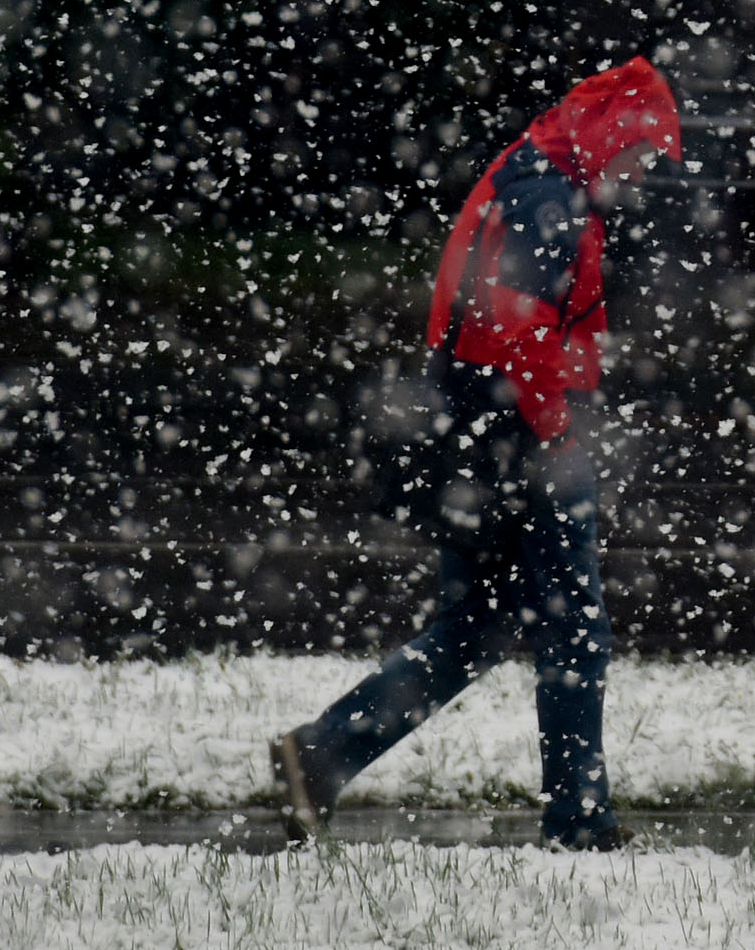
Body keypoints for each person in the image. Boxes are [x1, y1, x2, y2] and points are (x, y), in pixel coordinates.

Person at [271, 57, 682, 849]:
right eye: (637, 154)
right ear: (609, 132)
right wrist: (559, 430)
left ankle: (322, 755)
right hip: (522, 437)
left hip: (478, 429)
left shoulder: (536, 170)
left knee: (479, 625)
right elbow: (521, 325)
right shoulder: (548, 192)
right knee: (574, 631)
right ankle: (580, 825)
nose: (638, 174)